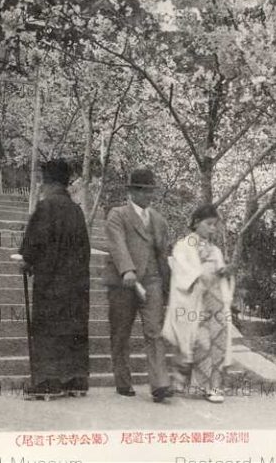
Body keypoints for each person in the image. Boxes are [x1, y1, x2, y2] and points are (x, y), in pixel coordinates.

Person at [19, 159, 91, 399]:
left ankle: (49, 381)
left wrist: (27, 261)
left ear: (47, 183)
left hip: (51, 281)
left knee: (47, 327)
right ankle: (76, 379)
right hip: (77, 282)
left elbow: (34, 243)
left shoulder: (46, 207)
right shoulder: (77, 211)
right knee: (74, 327)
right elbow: (85, 249)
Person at [104, 168, 172, 403]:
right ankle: (123, 381)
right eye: (141, 190)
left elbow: (163, 255)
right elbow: (117, 244)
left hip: (152, 281)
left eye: (149, 191)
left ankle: (160, 384)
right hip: (123, 283)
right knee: (121, 332)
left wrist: (167, 285)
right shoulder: (117, 215)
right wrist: (127, 269)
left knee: (154, 331)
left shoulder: (159, 221)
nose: (146, 195)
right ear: (131, 191)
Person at [163, 204, 234, 403]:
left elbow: (220, 271)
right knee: (201, 342)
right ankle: (198, 385)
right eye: (209, 224)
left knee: (218, 341)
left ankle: (215, 387)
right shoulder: (183, 246)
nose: (213, 229)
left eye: (215, 225)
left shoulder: (216, 250)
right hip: (195, 299)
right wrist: (199, 274)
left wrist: (224, 272)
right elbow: (182, 272)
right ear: (196, 223)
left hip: (216, 299)